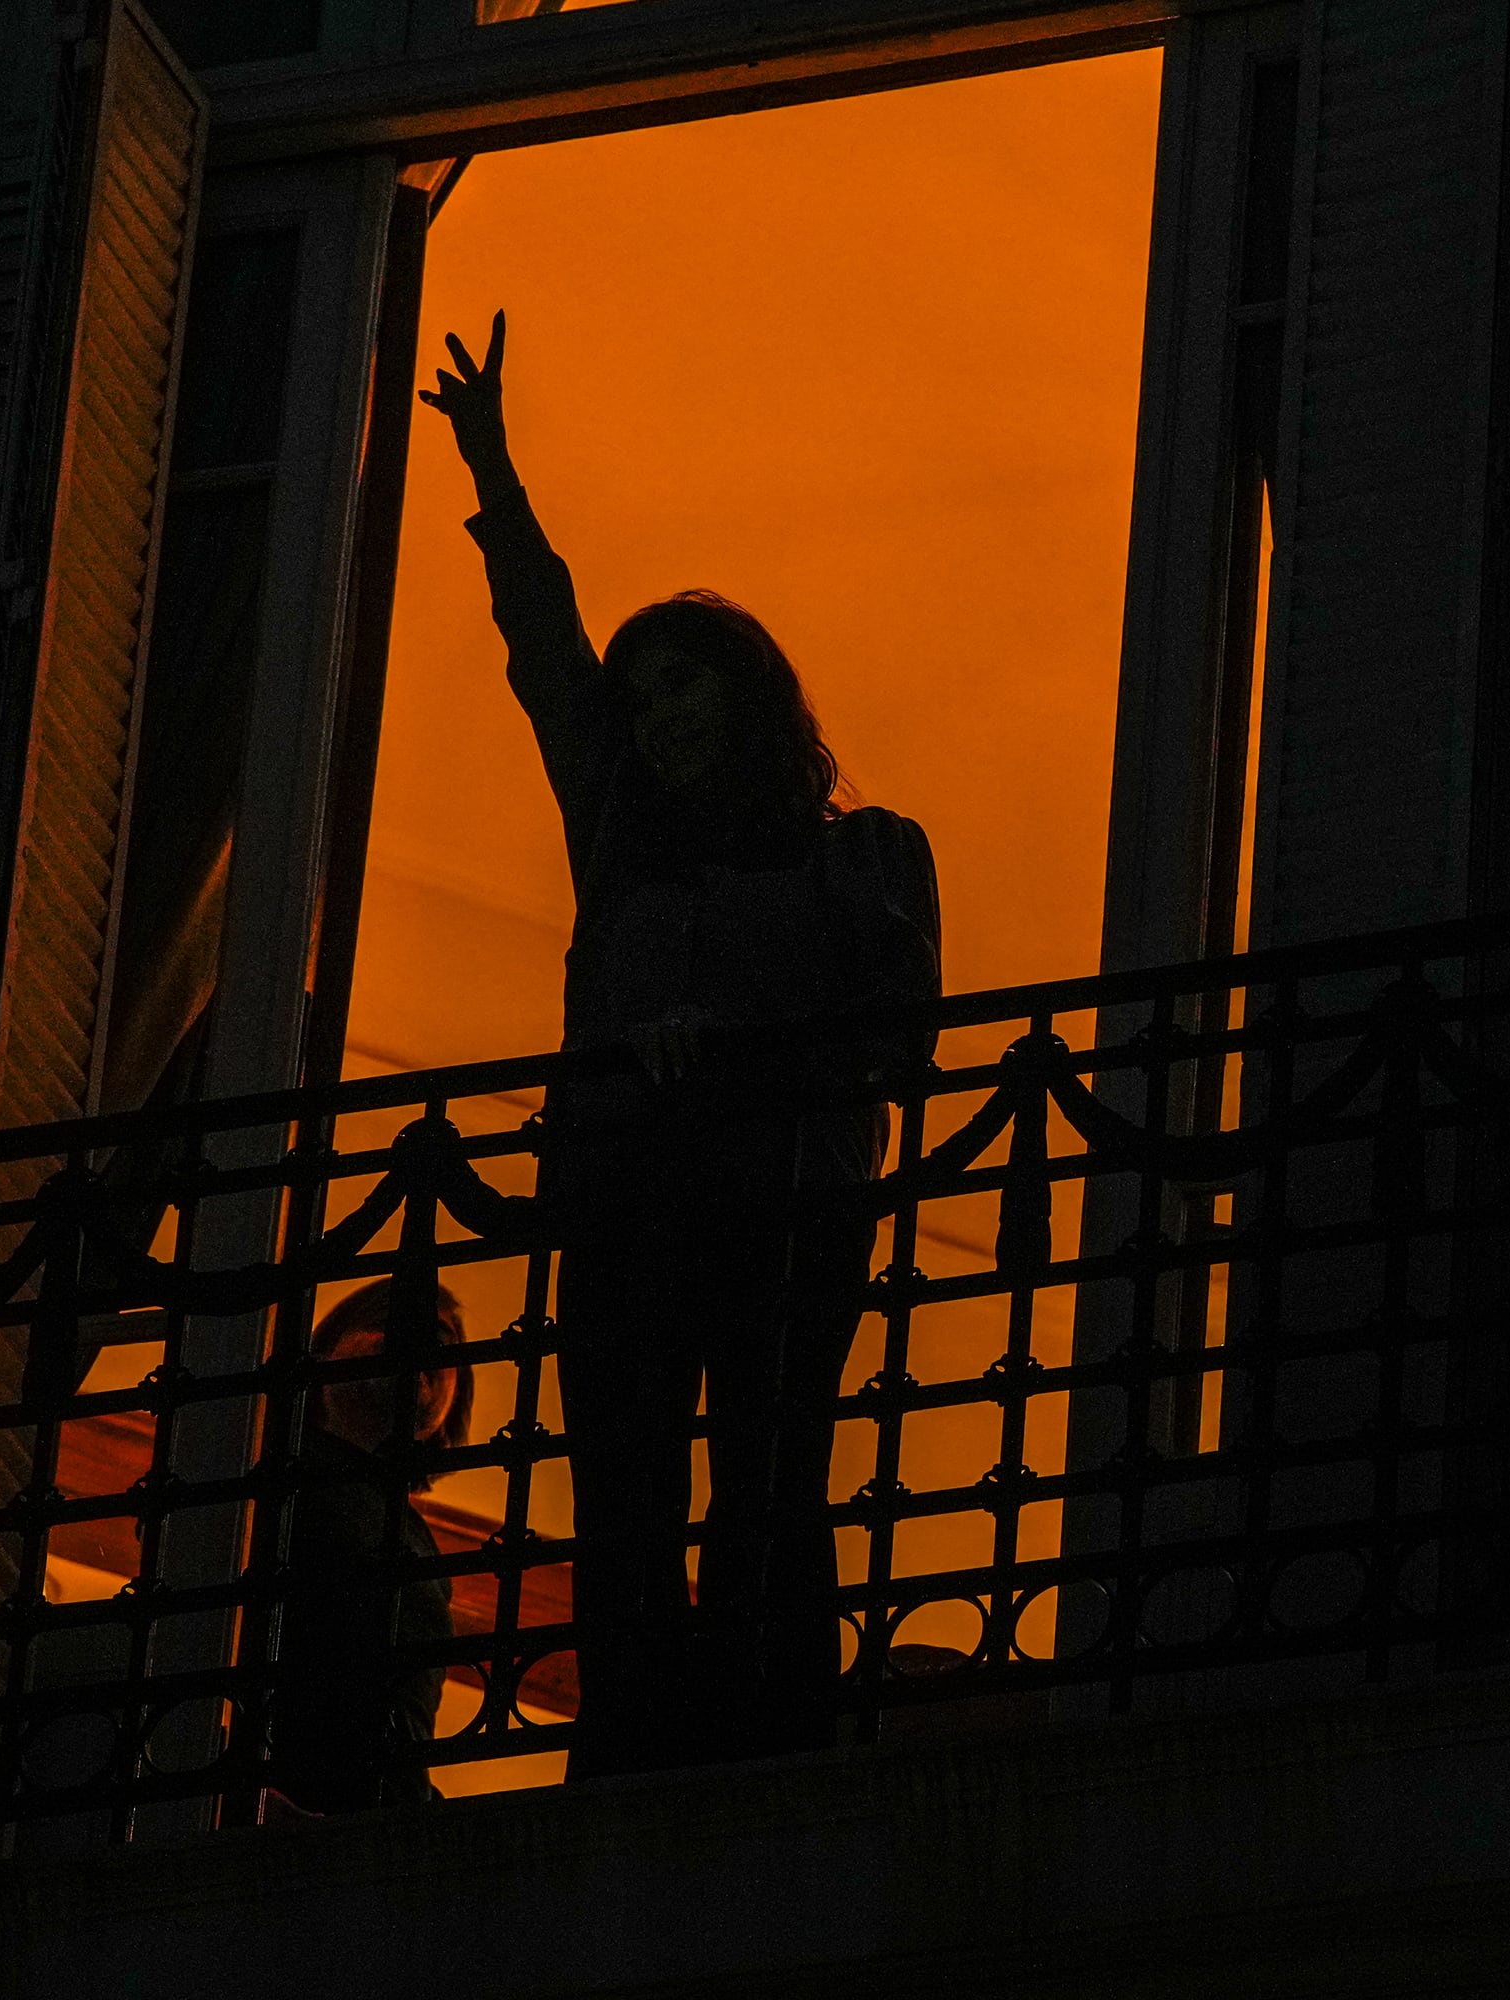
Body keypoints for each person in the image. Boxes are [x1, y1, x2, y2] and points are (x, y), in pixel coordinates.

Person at [419, 311, 941, 1777]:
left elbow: (901, 1035)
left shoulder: (867, 857)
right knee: (627, 1483)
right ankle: (634, 1741)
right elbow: (547, 654)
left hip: (781, 1199)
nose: (652, 719)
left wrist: (737, 1036)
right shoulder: (617, 851)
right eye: (639, 700)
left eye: (683, 683)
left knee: (773, 1478)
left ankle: (777, 1735)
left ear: (750, 690)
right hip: (629, 1202)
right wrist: (494, 473)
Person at [263, 1279, 475, 1815]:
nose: (419, 1348)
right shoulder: (264, 1473)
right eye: (395, 1323)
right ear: (329, 1347)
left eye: (442, 1347)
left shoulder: (418, 1541)